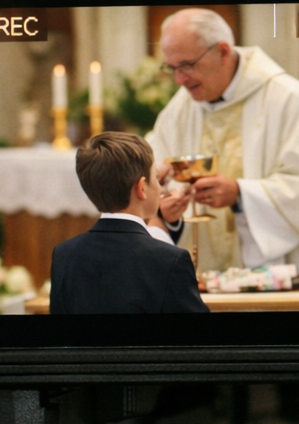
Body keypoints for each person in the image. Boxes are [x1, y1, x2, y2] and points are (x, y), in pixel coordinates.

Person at [145, 8, 299, 281]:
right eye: (171, 68)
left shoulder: (290, 100)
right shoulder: (177, 111)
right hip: (203, 280)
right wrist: (167, 208)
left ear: (223, 51)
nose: (179, 80)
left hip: (278, 276)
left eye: (187, 65)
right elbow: (156, 183)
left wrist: (240, 194)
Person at [50, 132, 208, 315]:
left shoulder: (64, 254)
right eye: (156, 178)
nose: (160, 187)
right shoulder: (170, 260)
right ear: (142, 188)